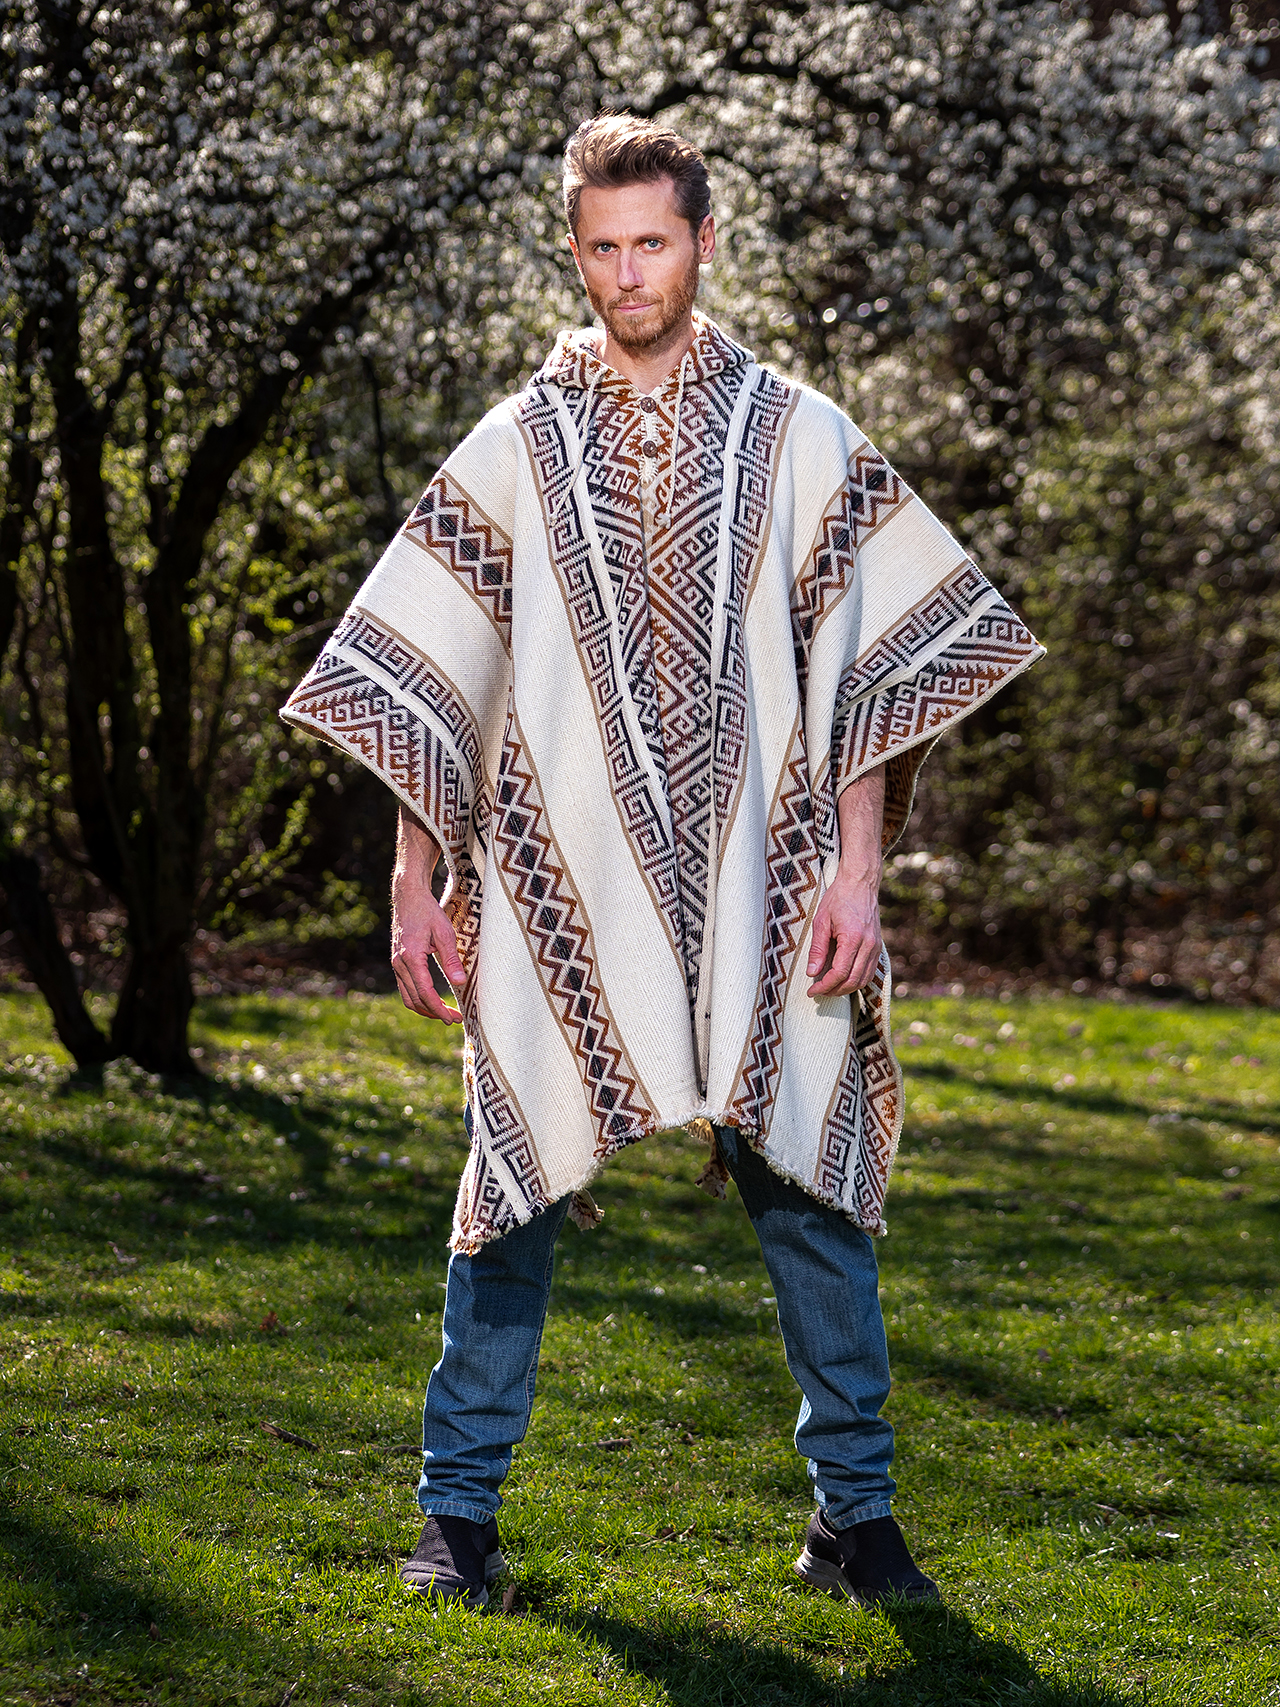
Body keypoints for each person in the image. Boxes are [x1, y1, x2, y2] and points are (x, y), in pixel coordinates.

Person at [282, 113, 1042, 1610]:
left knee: (811, 1185)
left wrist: (859, 874)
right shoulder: (518, 442)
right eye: (602, 247)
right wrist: (413, 881)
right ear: (574, 253)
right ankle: (458, 1521)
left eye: (653, 242)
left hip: (773, 873)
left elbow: (868, 666)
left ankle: (858, 1521)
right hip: (552, 880)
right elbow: (438, 673)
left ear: (702, 241)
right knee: (514, 1184)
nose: (629, 273)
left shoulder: (796, 432)